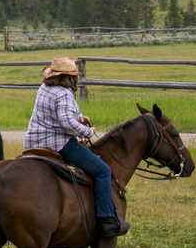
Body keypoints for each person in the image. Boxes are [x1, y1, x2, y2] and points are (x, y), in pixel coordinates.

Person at [27, 55, 128, 238]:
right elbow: (66, 122)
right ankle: (106, 220)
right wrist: (87, 132)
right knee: (103, 170)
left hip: (34, 143)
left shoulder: (44, 88)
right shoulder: (64, 93)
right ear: (70, 77)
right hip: (58, 144)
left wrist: (79, 117)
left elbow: (61, 113)